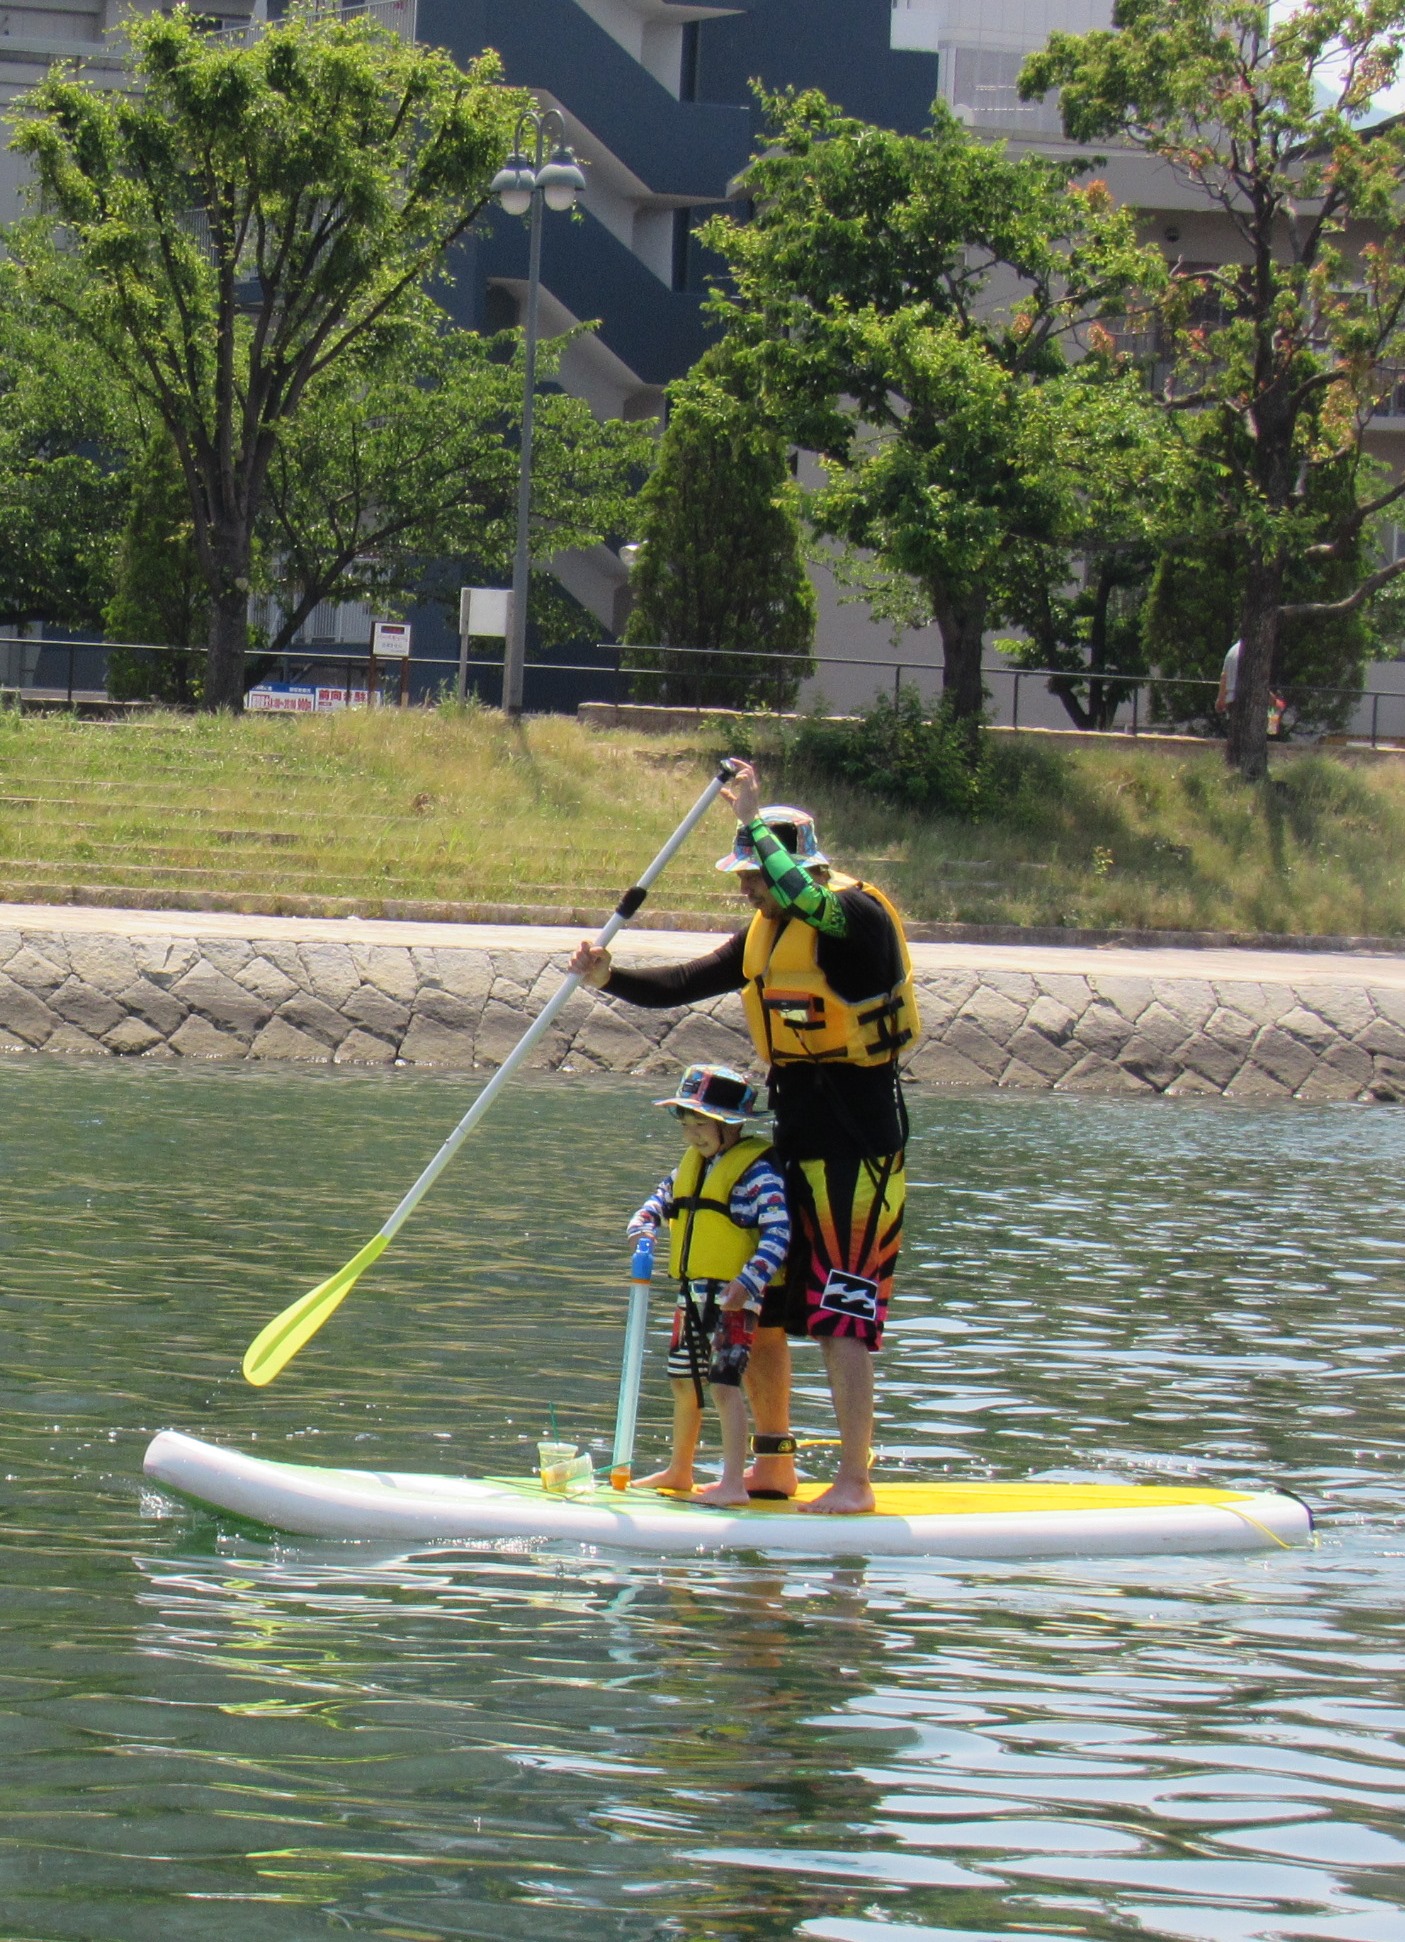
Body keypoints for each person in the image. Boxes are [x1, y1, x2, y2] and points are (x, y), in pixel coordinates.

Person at [571, 762, 918, 1514]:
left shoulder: (854, 917)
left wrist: (752, 818)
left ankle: (854, 1482)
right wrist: (607, 978)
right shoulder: (768, 930)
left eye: (753, 874)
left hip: (858, 1149)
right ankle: (772, 1464)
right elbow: (684, 983)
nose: (746, 890)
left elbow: (805, 897)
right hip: (794, 1138)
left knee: (841, 1315)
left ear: (790, 864)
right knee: (759, 1304)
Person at [626, 1063, 790, 1506]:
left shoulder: (758, 1173)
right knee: (684, 1381)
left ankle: (733, 1483)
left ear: (730, 1124)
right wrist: (643, 1225)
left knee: (723, 1383)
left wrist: (749, 1281)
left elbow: (778, 1232)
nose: (691, 1135)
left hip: (735, 1298)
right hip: (693, 1292)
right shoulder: (691, 1166)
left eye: (700, 1125)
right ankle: (680, 1469)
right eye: (685, 1124)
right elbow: (659, 1201)